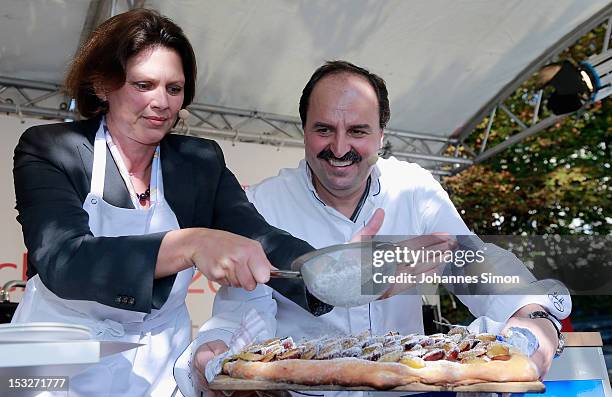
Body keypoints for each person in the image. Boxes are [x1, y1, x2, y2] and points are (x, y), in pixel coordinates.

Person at [11, 9, 347, 396]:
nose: (161, 103)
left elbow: (258, 236)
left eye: (174, 88)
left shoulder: (199, 161)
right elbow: (64, 260)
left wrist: (335, 273)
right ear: (103, 85)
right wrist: (189, 245)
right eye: (144, 85)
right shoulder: (50, 149)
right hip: (54, 355)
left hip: (155, 361)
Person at [185, 60, 572, 396]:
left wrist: (531, 311)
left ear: (382, 136)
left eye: (357, 131)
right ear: (303, 130)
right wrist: (213, 351)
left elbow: (471, 262)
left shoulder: (413, 188)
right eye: (324, 130)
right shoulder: (263, 205)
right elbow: (242, 313)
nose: (339, 148)